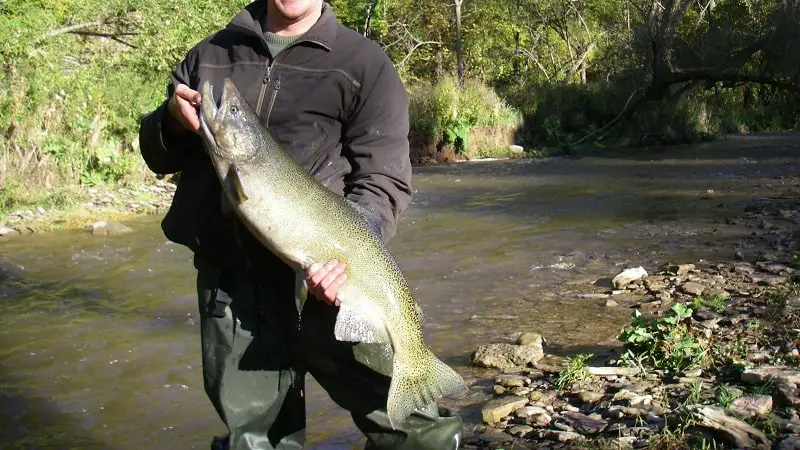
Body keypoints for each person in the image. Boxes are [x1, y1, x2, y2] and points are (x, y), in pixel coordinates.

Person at [137, 1, 464, 449]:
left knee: (416, 437)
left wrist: (348, 259)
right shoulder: (210, 54)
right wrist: (171, 121)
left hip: (333, 288)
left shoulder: (364, 64)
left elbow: (383, 180)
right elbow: (157, 154)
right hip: (233, 293)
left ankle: (417, 369)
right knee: (254, 443)